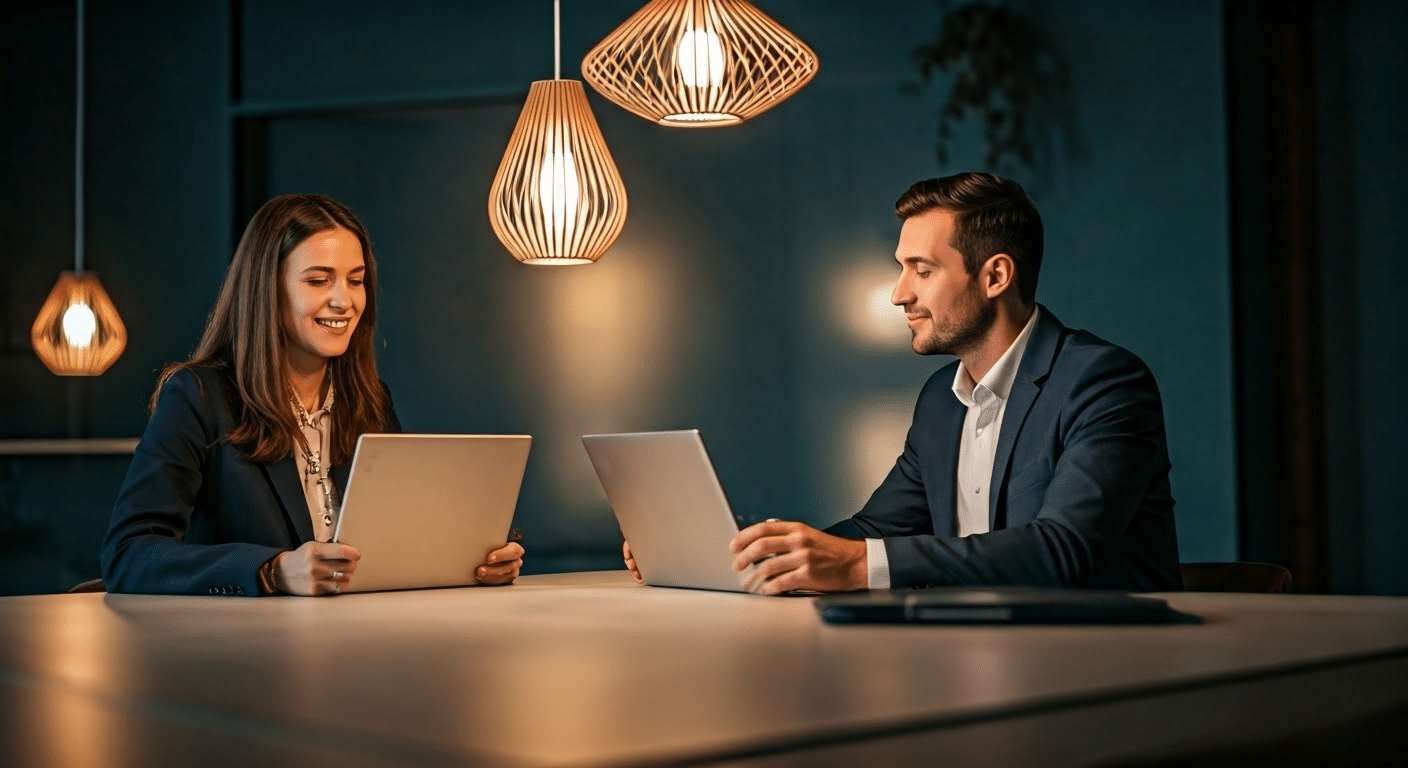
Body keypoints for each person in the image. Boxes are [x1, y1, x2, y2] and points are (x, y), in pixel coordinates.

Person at [624, 172, 1181, 594]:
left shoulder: (1103, 382)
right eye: (901, 268)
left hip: (1102, 679)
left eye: (922, 269)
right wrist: (739, 555)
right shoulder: (942, 398)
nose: (899, 293)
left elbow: (1066, 550)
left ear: (995, 276)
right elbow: (873, 528)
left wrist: (854, 564)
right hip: (978, 662)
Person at [102, 194, 524, 596]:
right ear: (267, 289)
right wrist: (272, 571)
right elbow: (128, 554)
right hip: (247, 653)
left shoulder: (370, 400)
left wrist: (475, 562)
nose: (344, 301)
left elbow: (397, 543)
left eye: (355, 281)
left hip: (360, 643)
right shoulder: (197, 397)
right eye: (319, 280)